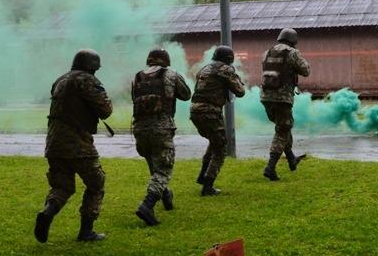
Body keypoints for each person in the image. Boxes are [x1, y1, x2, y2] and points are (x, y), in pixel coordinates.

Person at [34, 49, 113, 243]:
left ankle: (48, 212)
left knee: (62, 186)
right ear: (92, 66)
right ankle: (86, 231)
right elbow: (105, 110)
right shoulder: (87, 80)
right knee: (96, 183)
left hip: (54, 142)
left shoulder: (60, 80)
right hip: (78, 143)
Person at [132, 48, 191, 225]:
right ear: (165, 60)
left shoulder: (137, 77)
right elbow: (186, 94)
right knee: (163, 169)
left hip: (140, 129)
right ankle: (147, 206)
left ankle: (166, 195)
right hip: (161, 128)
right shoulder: (171, 75)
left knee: (154, 164)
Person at [189, 45, 246, 196]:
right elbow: (240, 92)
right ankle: (208, 186)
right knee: (221, 149)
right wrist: (237, 80)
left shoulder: (205, 69)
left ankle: (203, 175)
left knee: (215, 142)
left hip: (195, 110)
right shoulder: (226, 70)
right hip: (210, 112)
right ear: (229, 59)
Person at [260, 27, 311, 181]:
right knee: (282, 131)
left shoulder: (267, 52)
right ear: (293, 40)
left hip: (265, 97)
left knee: (283, 127)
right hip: (282, 98)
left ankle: (291, 158)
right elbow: (306, 70)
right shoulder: (292, 53)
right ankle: (270, 167)